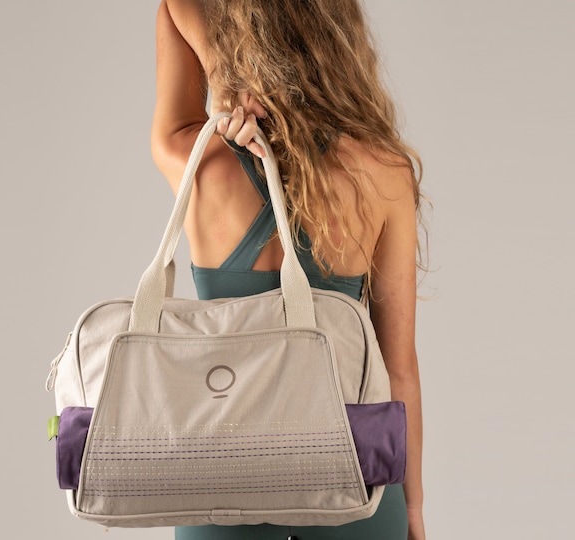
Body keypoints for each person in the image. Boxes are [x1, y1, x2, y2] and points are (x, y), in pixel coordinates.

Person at [151, 1, 426, 538]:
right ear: (339, 38)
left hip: (222, 476)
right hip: (354, 476)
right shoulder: (383, 173)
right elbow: (400, 373)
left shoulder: (197, 162)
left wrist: (230, 82)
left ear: (239, 36)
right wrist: (413, 508)